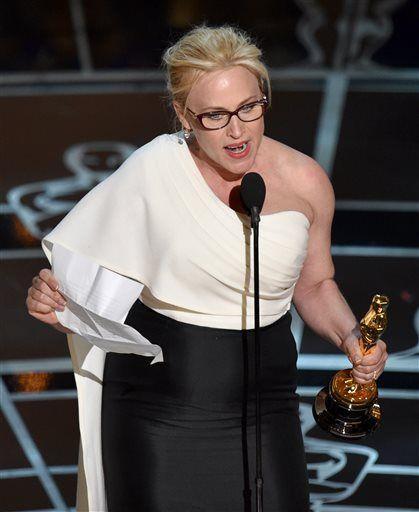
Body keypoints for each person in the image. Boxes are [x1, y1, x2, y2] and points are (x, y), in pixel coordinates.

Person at [26, 25, 388, 512]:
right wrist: (53, 299)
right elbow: (80, 279)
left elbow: (317, 282)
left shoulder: (305, 181)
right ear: (183, 115)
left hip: (266, 409)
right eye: (215, 116)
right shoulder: (153, 169)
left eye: (249, 108)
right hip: (157, 413)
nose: (237, 130)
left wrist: (350, 337)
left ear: (264, 99)